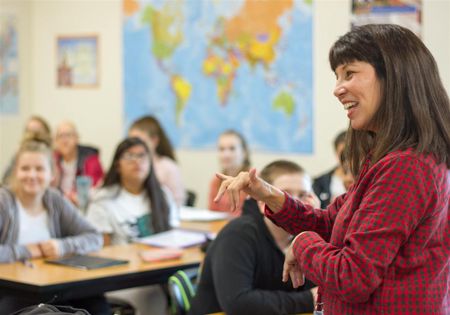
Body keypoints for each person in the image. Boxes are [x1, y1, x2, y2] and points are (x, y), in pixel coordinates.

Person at [214, 24, 450, 314]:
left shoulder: (405, 166)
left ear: (394, 75)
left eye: (349, 73)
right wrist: (270, 194)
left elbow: (352, 276)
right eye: (337, 76)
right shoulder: (389, 158)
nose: (337, 89)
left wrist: (302, 244)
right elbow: (330, 224)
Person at [189, 160, 317, 315]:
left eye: (304, 195)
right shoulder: (238, 235)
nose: (296, 203)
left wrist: (315, 228)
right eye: (286, 195)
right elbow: (239, 304)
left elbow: (323, 291)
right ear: (262, 203)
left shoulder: (307, 238)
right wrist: (309, 300)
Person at [0, 133, 108, 314]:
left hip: (55, 289)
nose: (32, 175)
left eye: (39, 169)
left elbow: (94, 237)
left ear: (51, 174)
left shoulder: (54, 199)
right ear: (15, 172)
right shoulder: (4, 201)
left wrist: (62, 246)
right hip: (14, 291)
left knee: (98, 306)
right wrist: (26, 250)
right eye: (25, 168)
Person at [86, 137, 178, 314]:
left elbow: (174, 238)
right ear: (117, 165)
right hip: (125, 277)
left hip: (161, 273)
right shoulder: (103, 199)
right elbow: (101, 252)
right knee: (151, 296)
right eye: (130, 156)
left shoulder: (162, 195)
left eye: (142, 156)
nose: (137, 161)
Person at [128, 116, 186, 206]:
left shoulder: (168, 167)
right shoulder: (126, 165)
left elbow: (177, 202)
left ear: (154, 141)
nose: (135, 147)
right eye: (131, 142)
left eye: (140, 142)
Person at [54, 121, 104, 205]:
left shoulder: (90, 158)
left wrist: (77, 196)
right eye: (60, 136)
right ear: (55, 141)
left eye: (68, 135)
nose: (64, 140)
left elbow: (96, 186)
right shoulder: (53, 159)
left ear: (77, 138)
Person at [208, 130, 251, 215]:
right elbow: (212, 214)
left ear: (244, 152)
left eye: (232, 149)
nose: (226, 155)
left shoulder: (252, 180)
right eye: (221, 149)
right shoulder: (216, 181)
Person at [2, 115, 53, 184]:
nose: (32, 135)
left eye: (37, 132)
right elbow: (6, 180)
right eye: (29, 131)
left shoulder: (53, 154)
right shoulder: (18, 154)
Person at [313, 130, 348, 208]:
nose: (349, 158)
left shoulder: (368, 179)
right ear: (336, 154)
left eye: (354, 153)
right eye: (344, 154)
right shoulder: (320, 182)